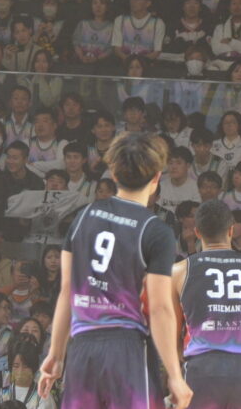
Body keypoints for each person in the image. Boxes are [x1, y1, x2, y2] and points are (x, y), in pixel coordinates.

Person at [37, 132, 192, 409]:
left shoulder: (83, 216)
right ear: (157, 178)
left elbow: (66, 291)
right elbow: (159, 308)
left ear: (114, 174)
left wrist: (56, 354)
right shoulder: (156, 230)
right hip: (127, 348)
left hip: (82, 347)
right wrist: (174, 375)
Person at [172, 199, 241, 409]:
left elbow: (168, 335)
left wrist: (187, 357)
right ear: (231, 230)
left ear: (197, 232)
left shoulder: (179, 271)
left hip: (203, 366)